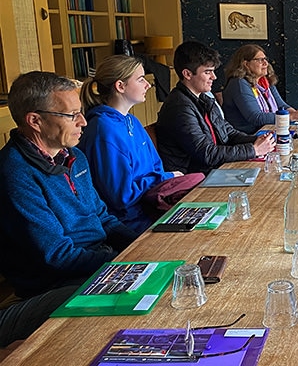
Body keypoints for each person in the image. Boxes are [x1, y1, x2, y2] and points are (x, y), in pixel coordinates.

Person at [0, 72, 138, 347]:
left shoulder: (73, 155)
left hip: (96, 265)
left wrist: (140, 246)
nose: (83, 122)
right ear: (35, 121)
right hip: (55, 285)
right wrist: (119, 264)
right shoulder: (14, 173)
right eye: (72, 114)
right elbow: (57, 256)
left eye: (81, 112)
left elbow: (103, 217)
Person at [79, 55, 204, 234]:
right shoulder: (103, 130)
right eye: (140, 79)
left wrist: (164, 179)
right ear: (120, 86)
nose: (148, 84)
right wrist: (164, 178)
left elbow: (156, 166)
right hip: (131, 221)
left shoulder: (132, 121)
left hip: (152, 206)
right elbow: (122, 197)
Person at [157, 41, 275, 174]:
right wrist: (253, 150)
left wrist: (257, 141)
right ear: (187, 74)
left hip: (213, 169)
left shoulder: (204, 98)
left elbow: (228, 133)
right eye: (208, 72)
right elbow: (207, 154)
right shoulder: (179, 107)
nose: (214, 77)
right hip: (195, 179)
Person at [222, 44, 298, 135]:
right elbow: (256, 117)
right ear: (246, 64)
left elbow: (281, 105)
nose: (266, 63)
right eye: (260, 60)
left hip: (267, 131)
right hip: (248, 137)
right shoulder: (239, 83)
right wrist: (291, 116)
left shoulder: (265, 80)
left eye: (265, 59)